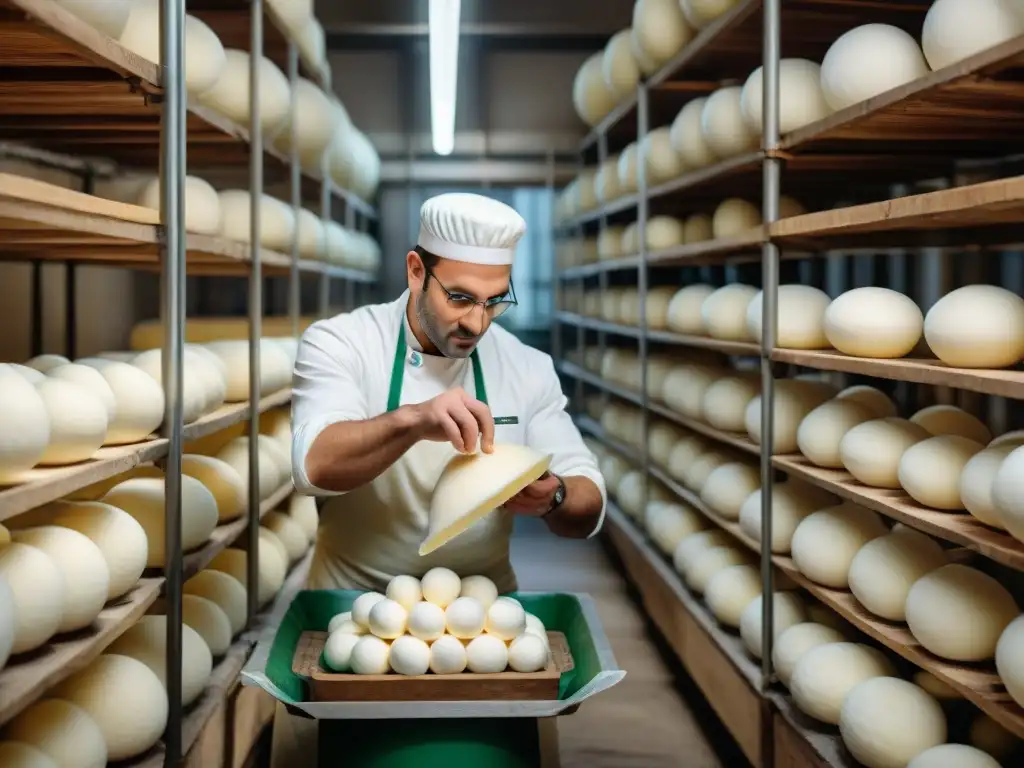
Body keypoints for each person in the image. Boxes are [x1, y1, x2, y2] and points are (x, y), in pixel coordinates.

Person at [269, 192, 606, 765]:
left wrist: (552, 497)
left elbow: (587, 502)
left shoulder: (525, 366)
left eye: (495, 302)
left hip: (484, 628)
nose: (477, 321)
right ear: (415, 270)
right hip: (352, 615)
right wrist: (413, 420)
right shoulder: (343, 343)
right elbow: (314, 465)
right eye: (459, 299)